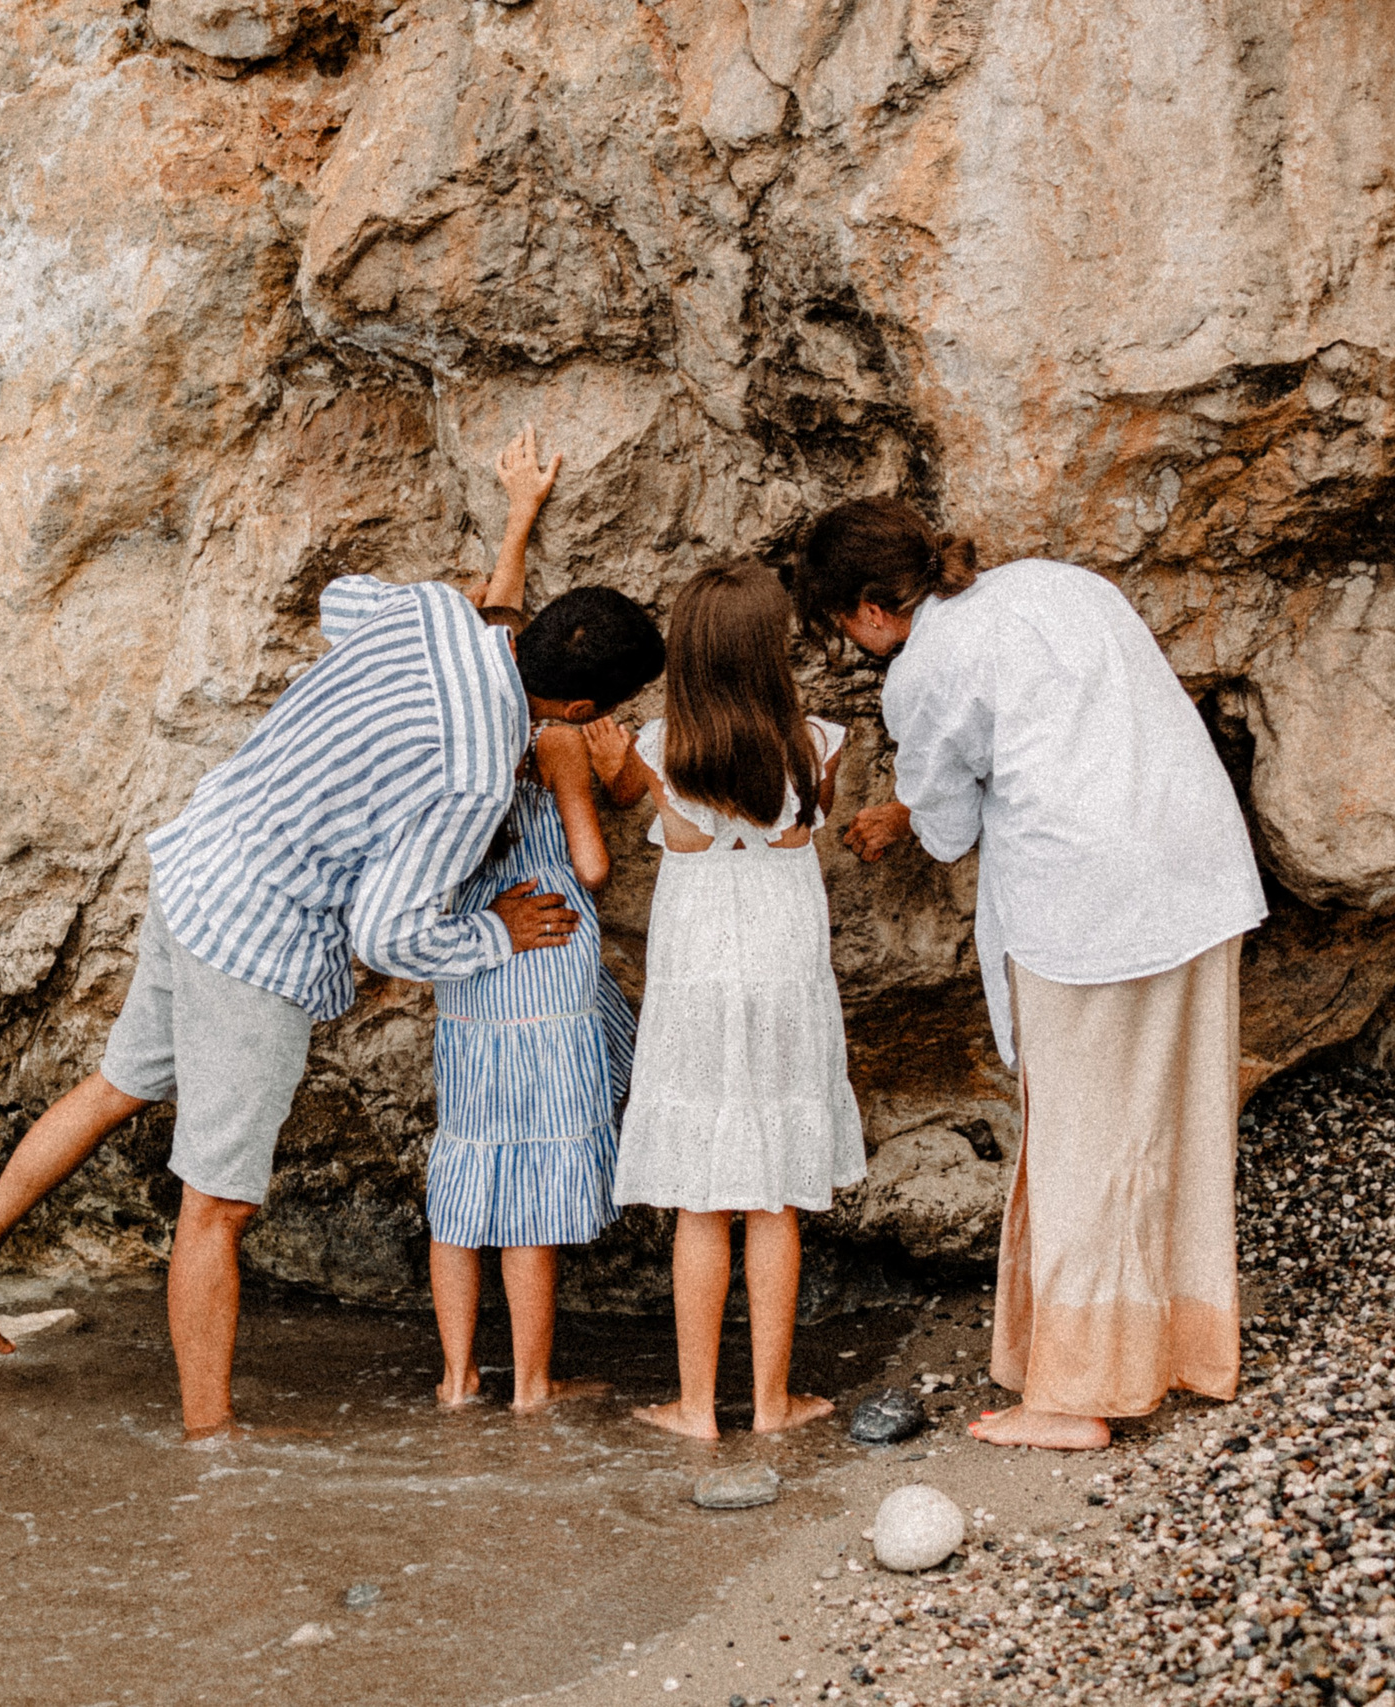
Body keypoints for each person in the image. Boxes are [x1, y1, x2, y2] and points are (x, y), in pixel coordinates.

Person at [0, 428, 667, 1441]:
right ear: (578, 709)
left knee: (117, 1086)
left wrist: (511, 529)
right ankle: (210, 1443)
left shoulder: (435, 615)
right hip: (258, 939)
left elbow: (337, 603)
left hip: (198, 863)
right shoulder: (475, 769)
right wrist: (493, 930)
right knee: (218, 1203)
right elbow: (393, 932)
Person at [791, 497, 1267, 1452]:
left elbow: (956, 824)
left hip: (1090, 904)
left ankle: (1077, 1392)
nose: (853, 643)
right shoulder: (1056, 582)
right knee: (1175, 1117)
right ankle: (1182, 1345)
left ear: (872, 609)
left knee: (1085, 1137)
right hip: (1197, 867)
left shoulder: (922, 666)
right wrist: (912, 805)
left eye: (842, 624)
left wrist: (908, 812)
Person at [586, 561, 863, 1441]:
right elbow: (801, 823)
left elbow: (660, 815)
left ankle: (697, 1406)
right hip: (783, 970)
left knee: (701, 1198)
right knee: (776, 1192)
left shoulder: (663, 748)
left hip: (699, 972)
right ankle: (774, 1402)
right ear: (772, 649)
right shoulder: (818, 743)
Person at [424, 606, 639, 1414]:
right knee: (533, 1185)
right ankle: (534, 1385)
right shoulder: (554, 739)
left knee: (468, 1160)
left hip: (474, 970)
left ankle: (457, 1377)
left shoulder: (460, 737)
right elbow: (589, 863)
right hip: (545, 971)